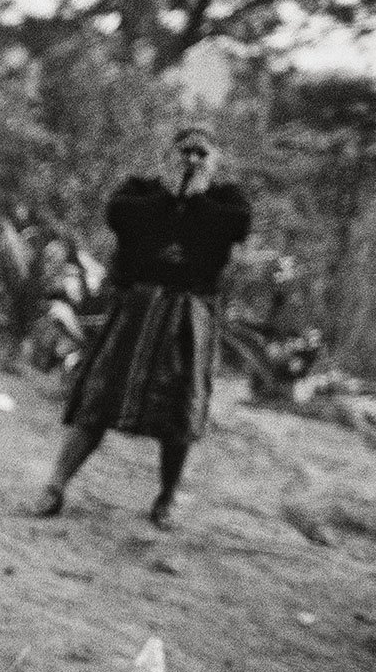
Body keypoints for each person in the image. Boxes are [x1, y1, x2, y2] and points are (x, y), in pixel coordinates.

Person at [29, 122, 253, 528]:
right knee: (99, 399)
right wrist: (171, 198)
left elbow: (236, 227)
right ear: (168, 154)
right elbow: (120, 217)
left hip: (189, 315)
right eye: (185, 150)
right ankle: (55, 485)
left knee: (179, 412)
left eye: (202, 153)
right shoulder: (141, 191)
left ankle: (166, 499)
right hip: (136, 309)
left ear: (214, 159)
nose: (193, 159)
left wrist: (195, 200)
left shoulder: (226, 201)